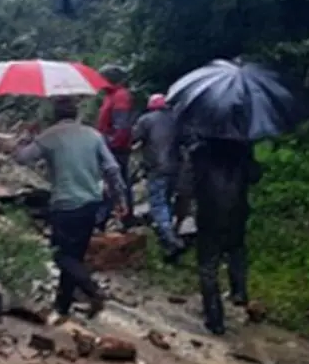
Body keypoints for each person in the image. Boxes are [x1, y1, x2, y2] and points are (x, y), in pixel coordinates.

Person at [15, 97, 129, 324]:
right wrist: (120, 199)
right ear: (76, 114)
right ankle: (63, 306)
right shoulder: (93, 135)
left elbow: (21, 158)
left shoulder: (49, 136)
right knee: (74, 255)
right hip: (91, 204)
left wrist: (26, 137)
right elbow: (112, 168)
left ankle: (92, 290)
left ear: (54, 115)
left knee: (60, 255)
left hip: (64, 204)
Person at [190, 137, 261, 335]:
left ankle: (215, 318)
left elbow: (188, 183)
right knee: (237, 249)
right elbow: (255, 176)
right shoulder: (242, 147)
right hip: (237, 210)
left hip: (209, 213)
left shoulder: (200, 150)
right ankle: (239, 291)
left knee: (208, 266)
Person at [133, 94, 187, 263]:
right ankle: (169, 241)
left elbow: (134, 138)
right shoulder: (176, 119)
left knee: (158, 203)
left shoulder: (145, 120)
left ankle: (170, 238)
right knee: (168, 201)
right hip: (176, 167)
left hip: (156, 168)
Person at [96, 65, 136, 226]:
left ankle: (109, 217)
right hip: (109, 145)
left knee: (116, 182)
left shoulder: (120, 96)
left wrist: (112, 144)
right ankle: (115, 216)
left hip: (116, 148)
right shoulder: (110, 96)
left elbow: (122, 125)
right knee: (113, 182)